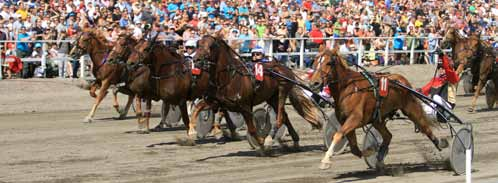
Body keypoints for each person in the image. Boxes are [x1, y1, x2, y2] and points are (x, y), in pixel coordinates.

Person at [419, 49, 459, 123]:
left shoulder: (452, 78)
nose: (440, 70)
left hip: (447, 108)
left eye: (442, 68)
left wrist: (442, 56)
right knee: (421, 105)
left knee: (435, 97)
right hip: (436, 107)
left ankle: (434, 115)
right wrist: (417, 91)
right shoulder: (435, 80)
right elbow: (424, 90)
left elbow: (448, 69)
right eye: (439, 68)